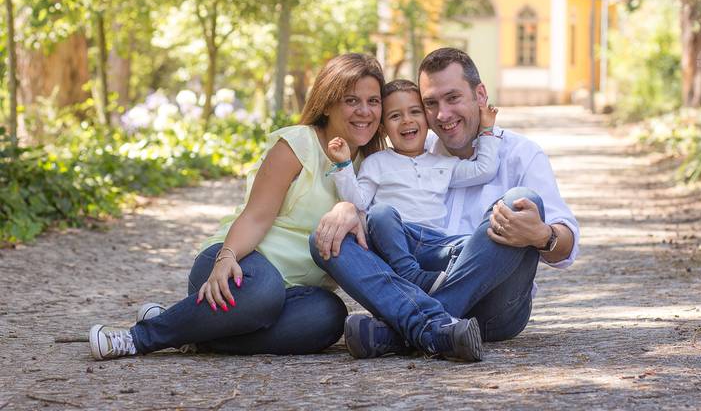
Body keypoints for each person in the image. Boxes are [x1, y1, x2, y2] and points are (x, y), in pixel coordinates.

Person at [88, 53, 387, 360]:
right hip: (239, 268)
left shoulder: (375, 167)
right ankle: (139, 338)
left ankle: (194, 331)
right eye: (351, 100)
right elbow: (255, 217)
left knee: (328, 317)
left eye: (373, 101)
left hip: (294, 297)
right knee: (263, 292)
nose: (364, 111)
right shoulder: (298, 145)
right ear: (327, 104)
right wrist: (225, 257)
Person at [310, 47, 579, 362]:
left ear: (480, 94)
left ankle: (404, 328)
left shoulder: (520, 153)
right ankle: (436, 329)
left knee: (520, 201)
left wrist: (541, 235)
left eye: (453, 98)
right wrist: (346, 208)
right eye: (431, 104)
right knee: (325, 240)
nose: (442, 114)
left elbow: (566, 245)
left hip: (495, 309)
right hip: (418, 283)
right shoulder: (411, 149)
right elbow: (369, 204)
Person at [326, 78, 500, 295]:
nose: (406, 121)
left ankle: (439, 285)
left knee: (478, 241)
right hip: (395, 240)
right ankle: (410, 274)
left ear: (427, 120)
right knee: (380, 213)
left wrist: (486, 129)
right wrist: (343, 165)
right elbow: (358, 201)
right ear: (382, 129)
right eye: (395, 116)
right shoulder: (377, 162)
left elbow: (484, 170)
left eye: (415, 112)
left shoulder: (444, 163)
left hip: (435, 244)